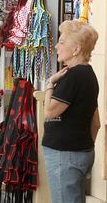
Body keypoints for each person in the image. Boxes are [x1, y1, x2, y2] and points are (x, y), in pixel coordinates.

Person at [42, 20, 101, 203]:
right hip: (78, 151)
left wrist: (50, 84)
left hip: (65, 154)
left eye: (62, 42)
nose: (57, 46)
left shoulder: (74, 76)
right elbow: (96, 123)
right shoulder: (88, 74)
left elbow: (50, 112)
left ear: (76, 49)